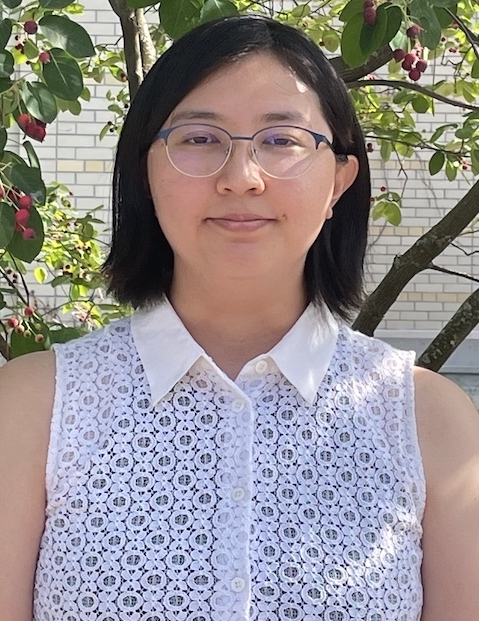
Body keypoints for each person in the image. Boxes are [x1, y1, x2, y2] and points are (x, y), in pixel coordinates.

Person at [1, 14, 479, 621]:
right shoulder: (34, 406)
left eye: (281, 140)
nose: (241, 178)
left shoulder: (431, 421)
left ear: (339, 181)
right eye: (200, 138)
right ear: (145, 174)